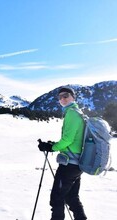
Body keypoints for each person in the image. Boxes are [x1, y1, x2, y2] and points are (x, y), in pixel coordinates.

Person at [38, 86, 87, 220]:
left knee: (57, 198)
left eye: (65, 96)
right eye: (59, 97)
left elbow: (68, 139)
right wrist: (52, 145)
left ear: (73, 97)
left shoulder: (72, 113)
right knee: (71, 198)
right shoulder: (78, 112)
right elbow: (72, 140)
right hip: (77, 163)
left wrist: (51, 148)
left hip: (69, 165)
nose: (62, 99)